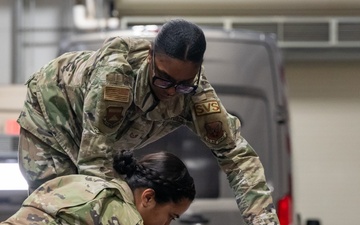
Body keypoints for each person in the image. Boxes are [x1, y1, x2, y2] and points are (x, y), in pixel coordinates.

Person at [17, 18, 280, 224]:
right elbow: (93, 168)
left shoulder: (196, 96)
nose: (171, 91)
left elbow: (238, 158)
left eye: (183, 84)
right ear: (150, 55)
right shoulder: (116, 78)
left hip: (99, 136)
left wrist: (264, 221)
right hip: (52, 117)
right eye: (163, 79)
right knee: (64, 205)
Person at [1, 151, 195, 225]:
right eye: (171, 216)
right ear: (148, 198)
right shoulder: (125, 216)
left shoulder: (84, 182)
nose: (167, 224)